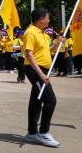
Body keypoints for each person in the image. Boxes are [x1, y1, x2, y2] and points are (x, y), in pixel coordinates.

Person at [23, 8, 63, 147]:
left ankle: (32, 134)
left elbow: (46, 50)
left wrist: (57, 44)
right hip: (36, 71)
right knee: (50, 100)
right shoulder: (30, 32)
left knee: (35, 101)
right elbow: (29, 54)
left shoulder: (42, 33)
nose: (49, 19)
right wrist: (40, 74)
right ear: (41, 19)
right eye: (48, 17)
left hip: (43, 69)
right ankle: (44, 133)